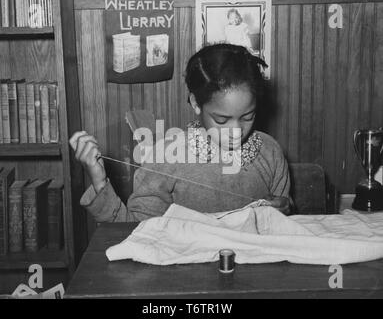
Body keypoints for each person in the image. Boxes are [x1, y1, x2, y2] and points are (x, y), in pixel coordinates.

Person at [69, 44, 291, 223]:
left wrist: (283, 209)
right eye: (221, 120)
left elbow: (285, 218)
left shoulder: (269, 152)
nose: (235, 131)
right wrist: (99, 180)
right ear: (196, 103)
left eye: (247, 117)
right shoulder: (166, 156)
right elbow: (134, 233)